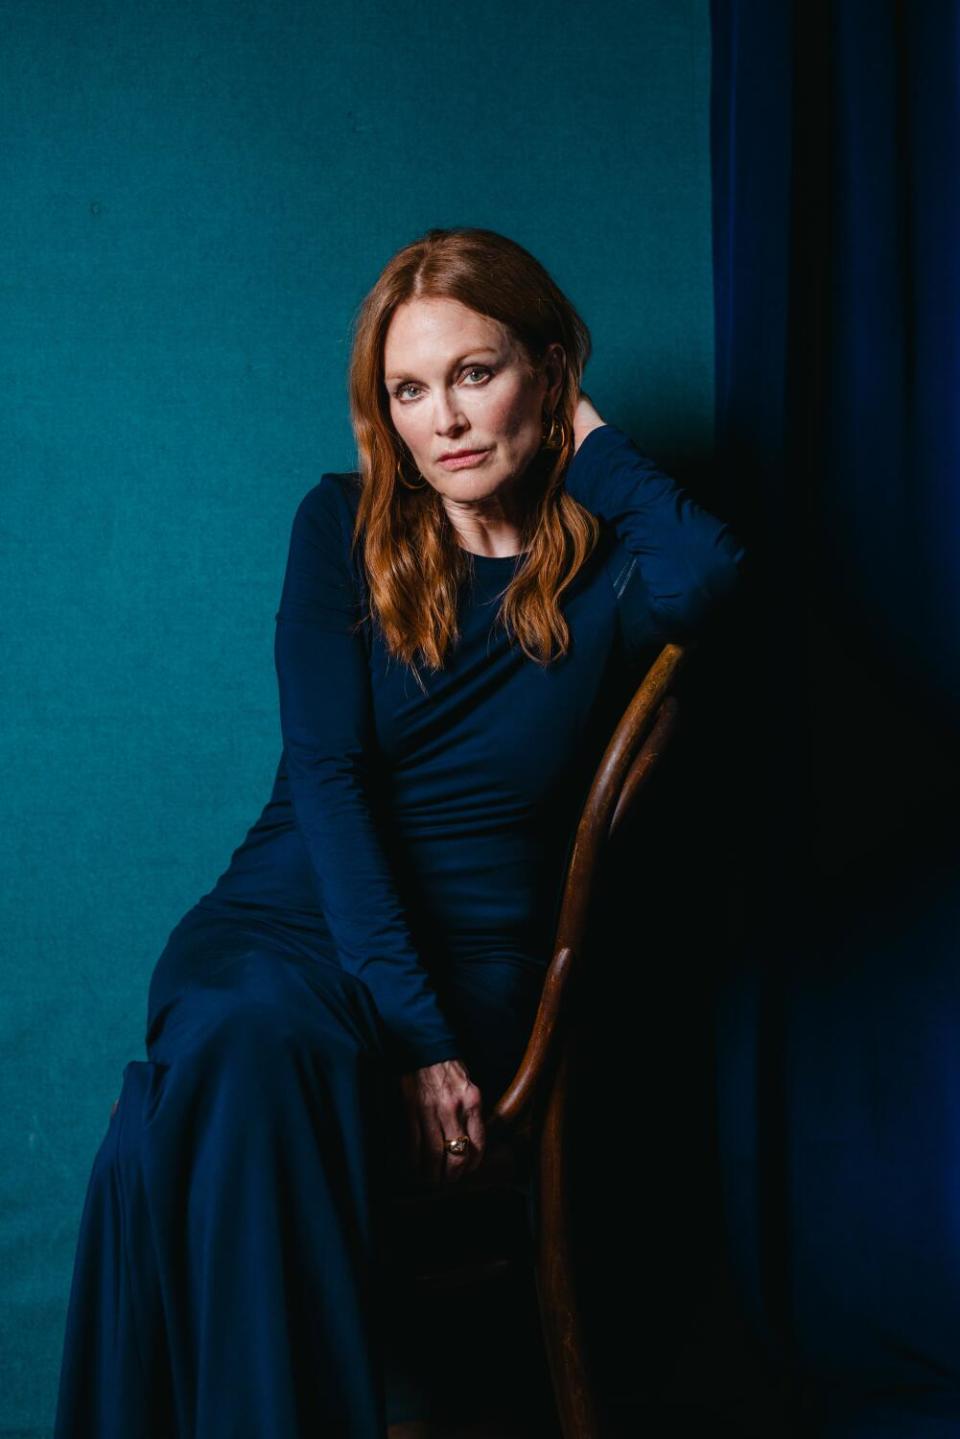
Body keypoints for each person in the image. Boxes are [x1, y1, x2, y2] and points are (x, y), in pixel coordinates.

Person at [52, 226, 747, 1438]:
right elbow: (329, 781)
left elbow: (715, 570)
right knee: (239, 1026)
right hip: (286, 913)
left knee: (171, 1119)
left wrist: (593, 443)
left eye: (477, 372)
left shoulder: (613, 575)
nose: (446, 421)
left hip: (476, 952)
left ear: (547, 365)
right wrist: (415, 1038)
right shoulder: (340, 528)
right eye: (409, 390)